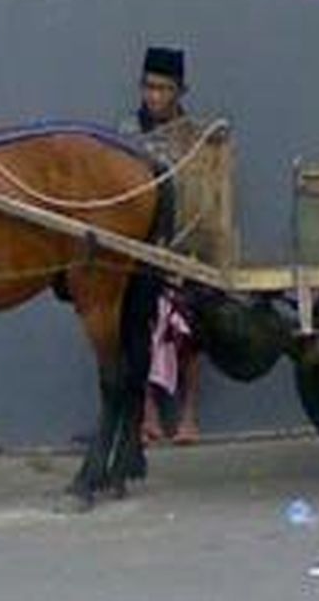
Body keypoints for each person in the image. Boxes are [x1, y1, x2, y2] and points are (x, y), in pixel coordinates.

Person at [122, 46, 202, 445]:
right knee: (140, 327)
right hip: (138, 246)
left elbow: (206, 187)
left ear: (180, 91)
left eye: (163, 89)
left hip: (185, 244)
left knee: (188, 330)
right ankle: (148, 415)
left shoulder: (196, 135)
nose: (154, 96)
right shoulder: (126, 135)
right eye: (149, 88)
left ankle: (188, 416)